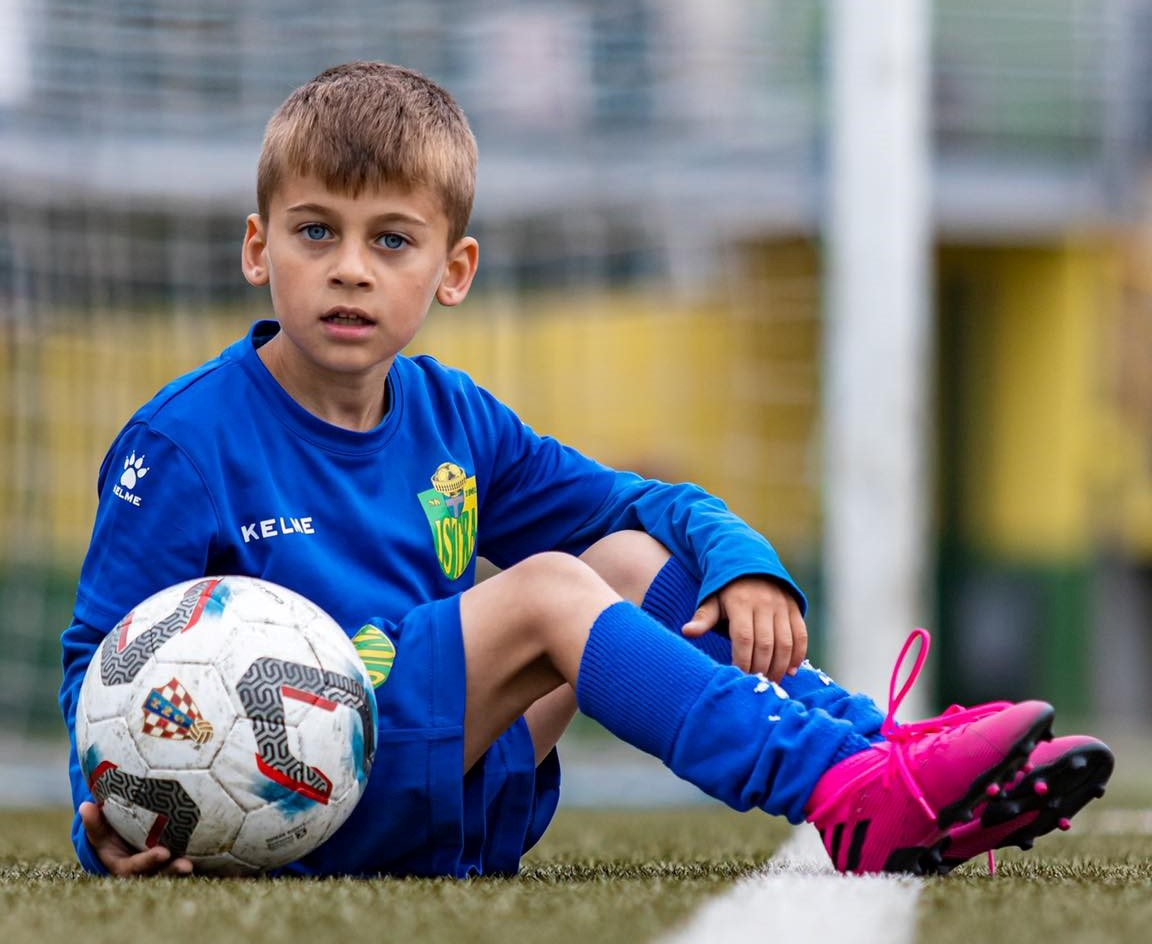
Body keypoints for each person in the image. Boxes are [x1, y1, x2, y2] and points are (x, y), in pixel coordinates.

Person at [59, 62, 1113, 880]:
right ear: (258, 248)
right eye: (315, 232)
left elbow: (647, 506)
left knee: (616, 552)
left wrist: (743, 564)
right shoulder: (185, 442)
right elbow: (92, 661)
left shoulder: (450, 414)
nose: (348, 266)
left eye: (391, 240)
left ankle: (886, 746)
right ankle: (841, 789)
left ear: (452, 270)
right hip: (296, 791)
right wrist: (98, 813)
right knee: (551, 586)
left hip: (442, 782)